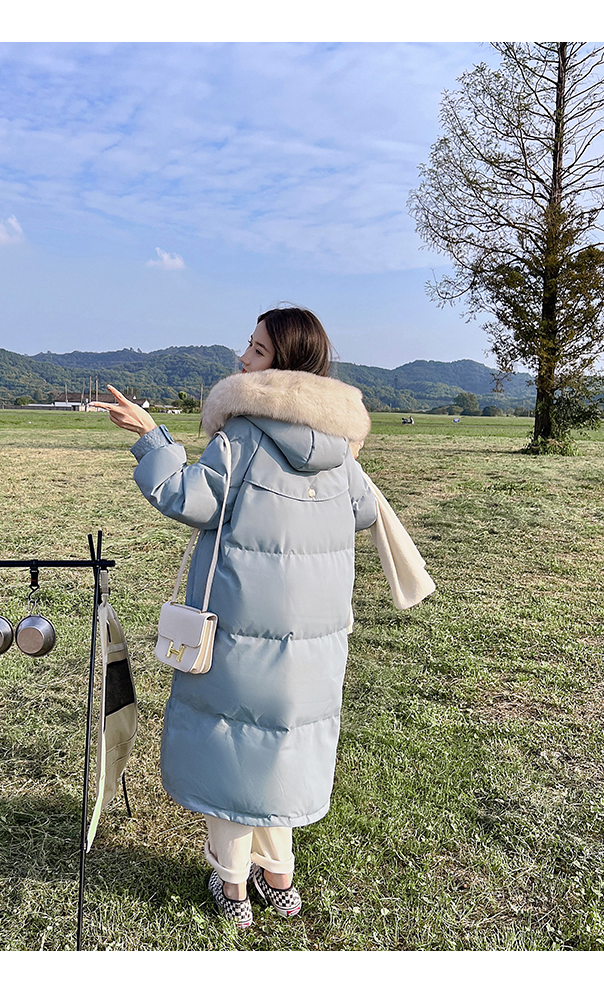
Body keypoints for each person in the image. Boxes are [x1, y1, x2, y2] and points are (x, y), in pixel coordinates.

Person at [103, 306, 432, 928]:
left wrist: (150, 436)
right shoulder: (341, 452)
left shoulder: (244, 439)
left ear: (278, 366)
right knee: (282, 749)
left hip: (236, 629)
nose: (242, 358)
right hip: (315, 638)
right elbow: (363, 514)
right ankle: (279, 881)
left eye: (254, 351)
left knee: (231, 746)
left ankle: (231, 888)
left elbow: (184, 496)